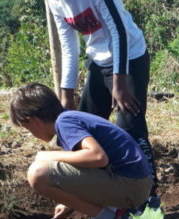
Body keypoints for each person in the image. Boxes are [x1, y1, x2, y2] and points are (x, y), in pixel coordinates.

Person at [9, 83, 153, 219]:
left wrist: (47, 155)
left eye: (27, 128)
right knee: (54, 165)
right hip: (136, 185)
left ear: (33, 121)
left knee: (38, 173)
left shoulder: (64, 123)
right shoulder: (69, 118)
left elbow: (97, 157)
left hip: (131, 187)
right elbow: (86, 168)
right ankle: (117, 213)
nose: (31, 134)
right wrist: (68, 202)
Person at [46, 0, 158, 203]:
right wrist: (67, 95)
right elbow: (69, 46)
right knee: (84, 128)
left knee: (130, 128)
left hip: (130, 59)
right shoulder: (54, 2)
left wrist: (120, 83)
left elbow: (120, 32)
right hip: (98, 62)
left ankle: (149, 196)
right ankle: (98, 193)